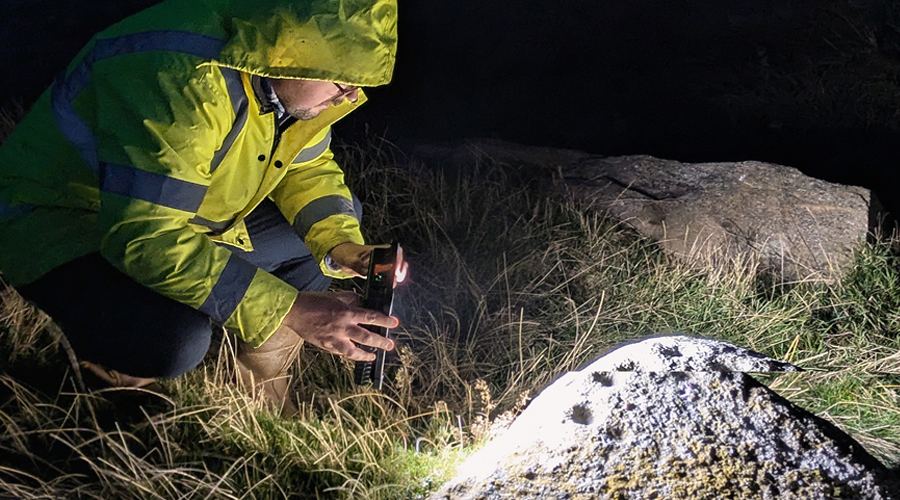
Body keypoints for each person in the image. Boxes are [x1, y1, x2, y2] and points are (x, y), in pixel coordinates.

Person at [0, 0, 399, 417]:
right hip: (59, 225)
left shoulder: (286, 78)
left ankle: (258, 383)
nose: (352, 95)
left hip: (172, 215)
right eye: (343, 79)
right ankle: (112, 371)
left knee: (332, 220)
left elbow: (308, 167)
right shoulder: (182, 75)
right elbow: (146, 235)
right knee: (175, 340)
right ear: (298, 51)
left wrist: (341, 244)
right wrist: (291, 309)